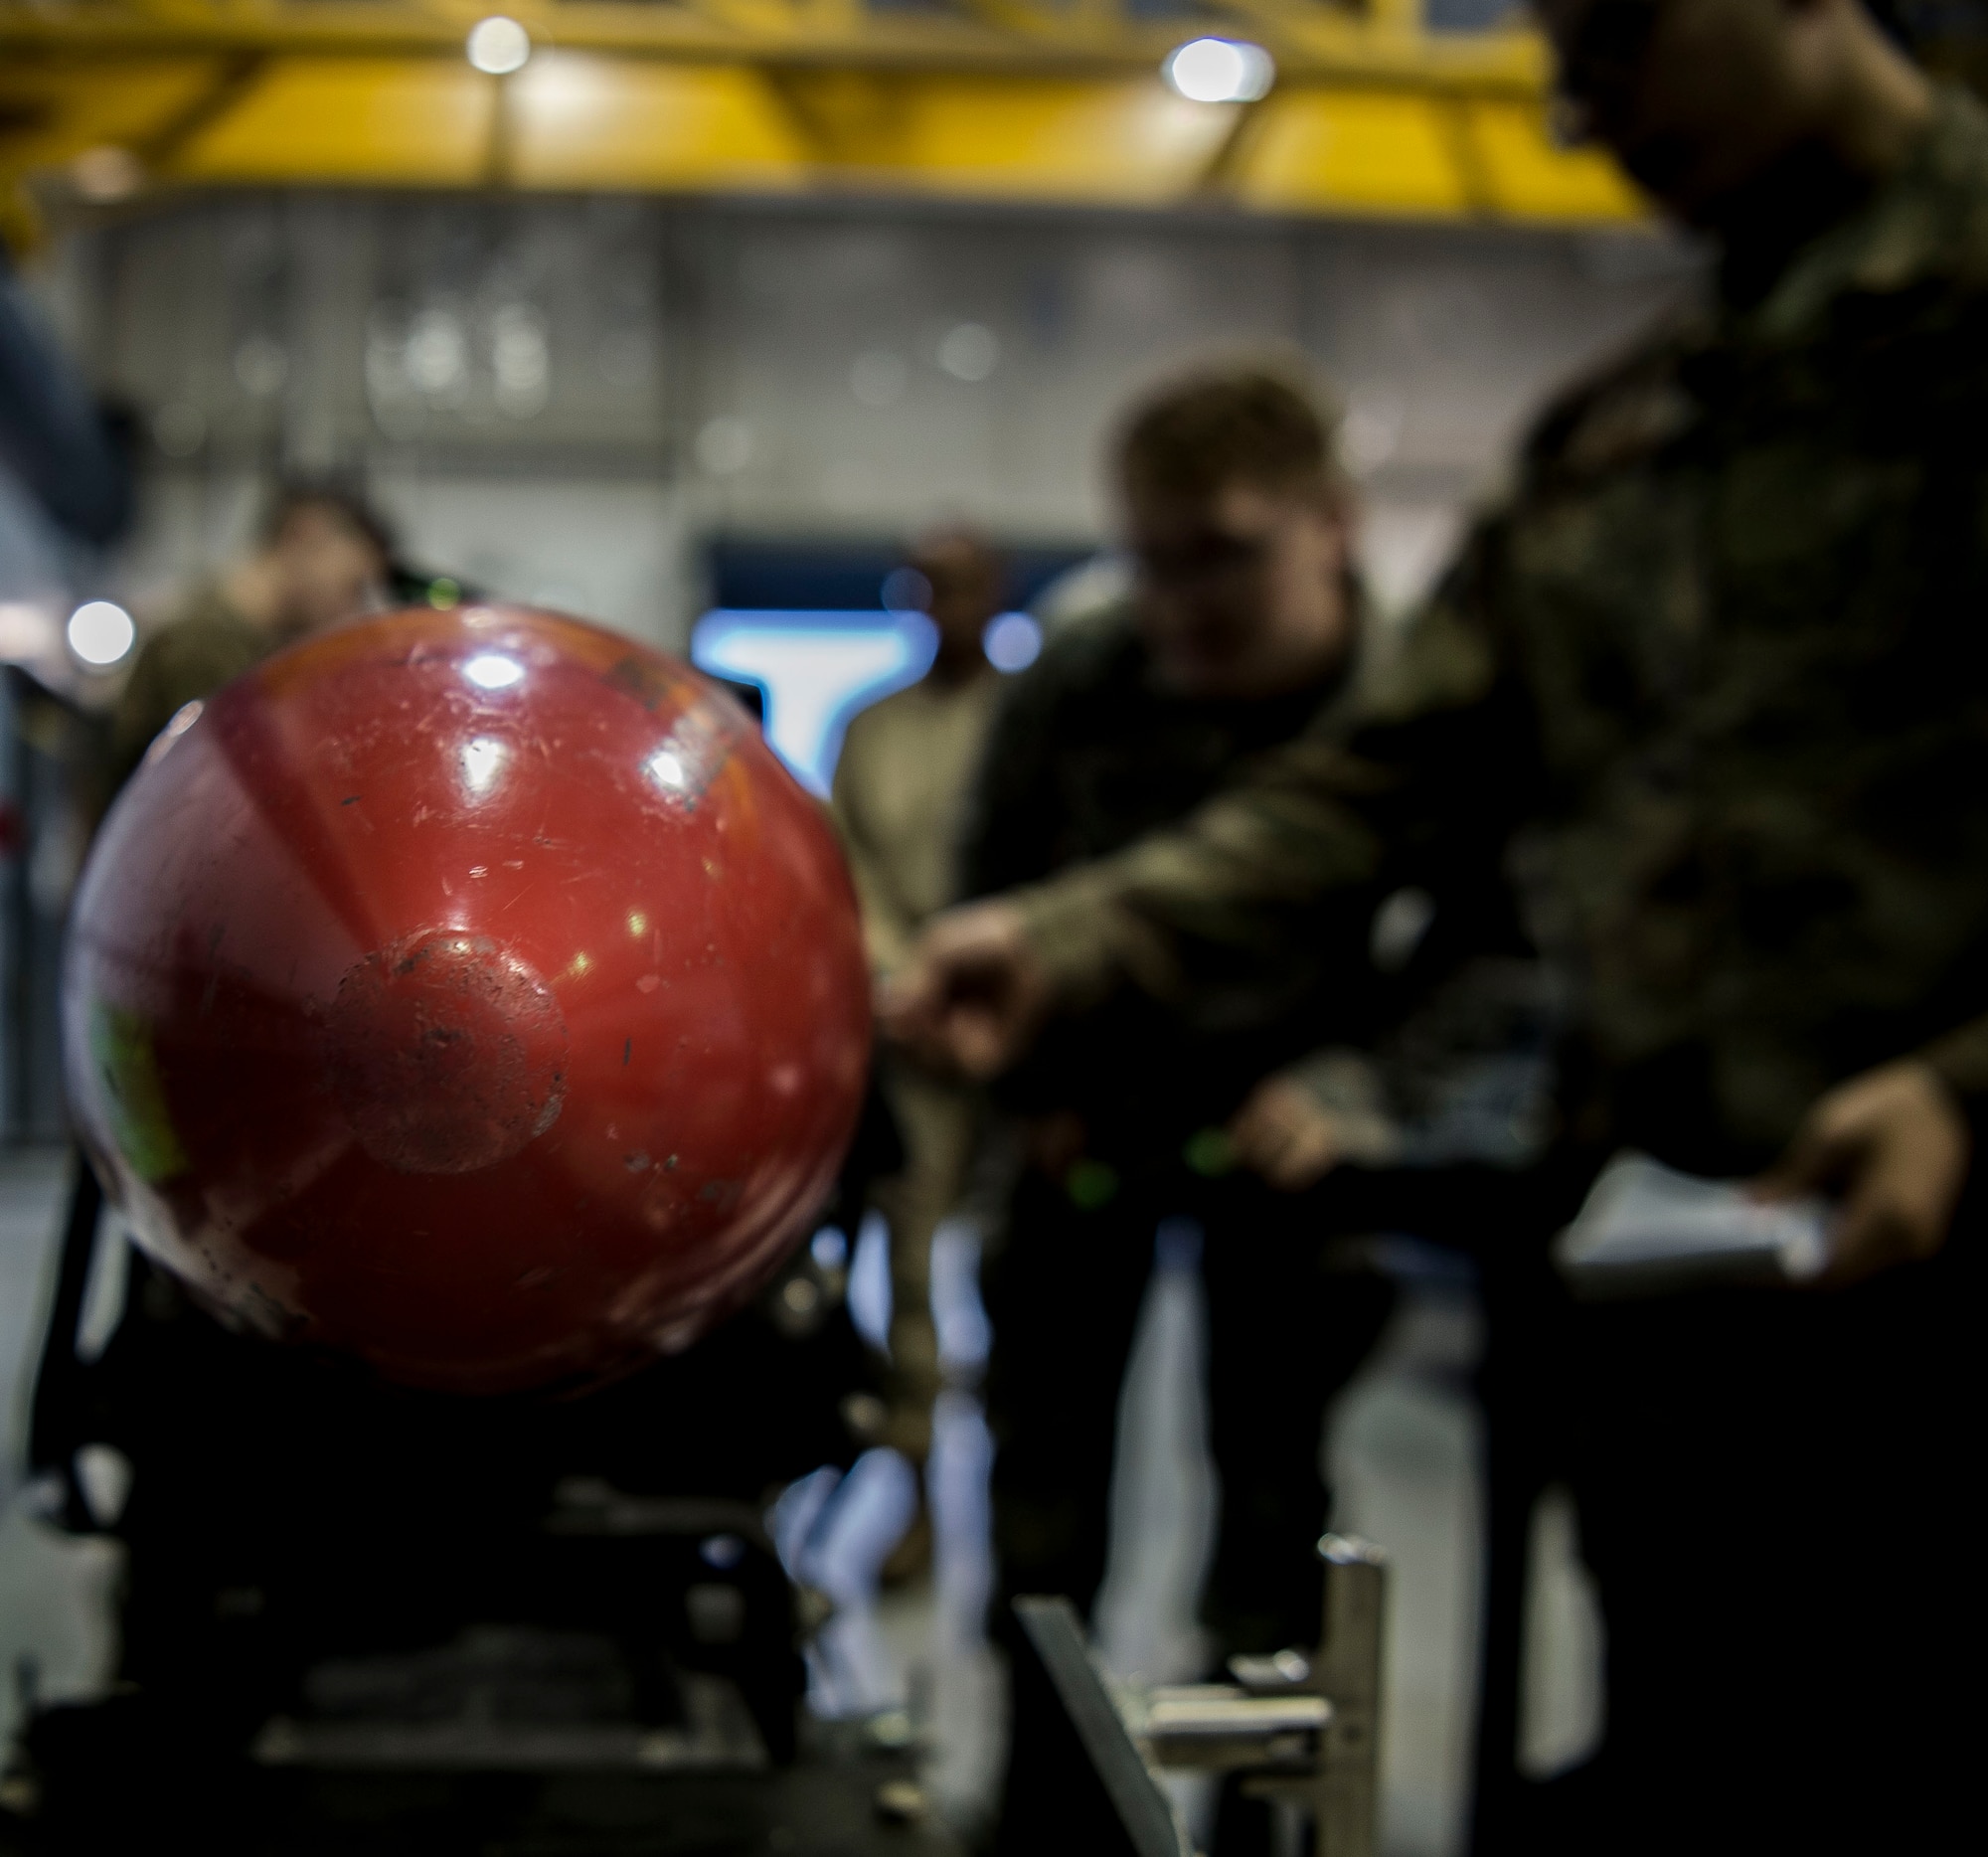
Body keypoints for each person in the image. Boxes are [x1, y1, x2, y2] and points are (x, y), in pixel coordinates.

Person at [886, 2, 1983, 1848]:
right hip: (1692, 1300)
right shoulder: (1627, 442)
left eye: (1613, 36)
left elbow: (1466, 915)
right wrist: (1062, 946)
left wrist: (1968, 1084)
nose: (1568, 109)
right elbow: (1375, 788)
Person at [963, 369, 1433, 1715]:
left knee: (1274, 1502)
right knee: (1043, 1506)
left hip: (1293, 1142)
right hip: (1091, 1122)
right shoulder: (1086, 680)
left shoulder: (1407, 706)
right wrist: (1036, 1085)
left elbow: (1503, 943)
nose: (1185, 604)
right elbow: (996, 892)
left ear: (1333, 523)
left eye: (1226, 553)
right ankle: (1044, 1795)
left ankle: (1261, 1813)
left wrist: (1363, 1087)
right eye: (1153, 560)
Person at [828, 528, 1008, 1508]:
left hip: (1023, 1028)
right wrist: (903, 981)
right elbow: (847, 863)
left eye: (964, 587)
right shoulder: (871, 729)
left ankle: (1024, 1500)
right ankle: (917, 1491)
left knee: (1024, 1278)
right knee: (907, 1275)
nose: (945, 609)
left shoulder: (1027, 719)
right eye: (927, 590)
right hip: (911, 1033)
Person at [109, 483, 393, 788]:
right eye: (353, 586)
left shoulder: (247, 648)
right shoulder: (203, 646)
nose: (352, 610)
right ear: (307, 536)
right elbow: (221, 793)